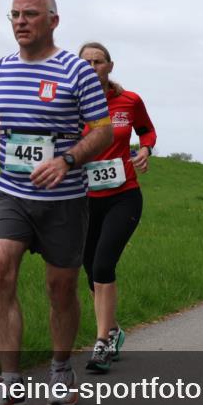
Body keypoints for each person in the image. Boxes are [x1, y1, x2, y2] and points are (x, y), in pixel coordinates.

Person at [0, 0, 113, 405]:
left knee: (60, 288)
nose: (20, 21)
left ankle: (60, 369)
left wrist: (67, 160)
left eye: (30, 14)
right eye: (13, 14)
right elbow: (1, 113)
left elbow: (102, 130)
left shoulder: (76, 71)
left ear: (53, 20)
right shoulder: (2, 67)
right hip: (11, 192)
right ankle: (10, 383)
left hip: (64, 199)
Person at [77, 42, 156, 373]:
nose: (93, 66)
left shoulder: (129, 100)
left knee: (103, 264)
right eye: (86, 63)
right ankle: (113, 328)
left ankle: (102, 343)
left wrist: (145, 150)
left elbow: (146, 130)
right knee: (89, 267)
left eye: (99, 61)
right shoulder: (72, 103)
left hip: (124, 195)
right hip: (83, 199)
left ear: (110, 66)